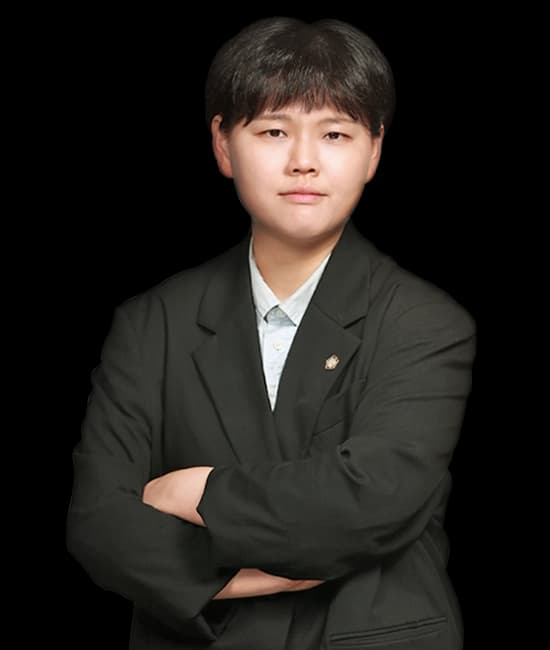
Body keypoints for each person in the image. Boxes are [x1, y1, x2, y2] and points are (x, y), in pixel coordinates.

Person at [67, 16, 476, 649]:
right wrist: (240, 578)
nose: (303, 161)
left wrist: (197, 490)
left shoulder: (425, 322)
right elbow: (98, 522)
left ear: (374, 151)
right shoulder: (152, 322)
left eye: (335, 133)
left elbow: (368, 502)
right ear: (223, 146)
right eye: (273, 131)